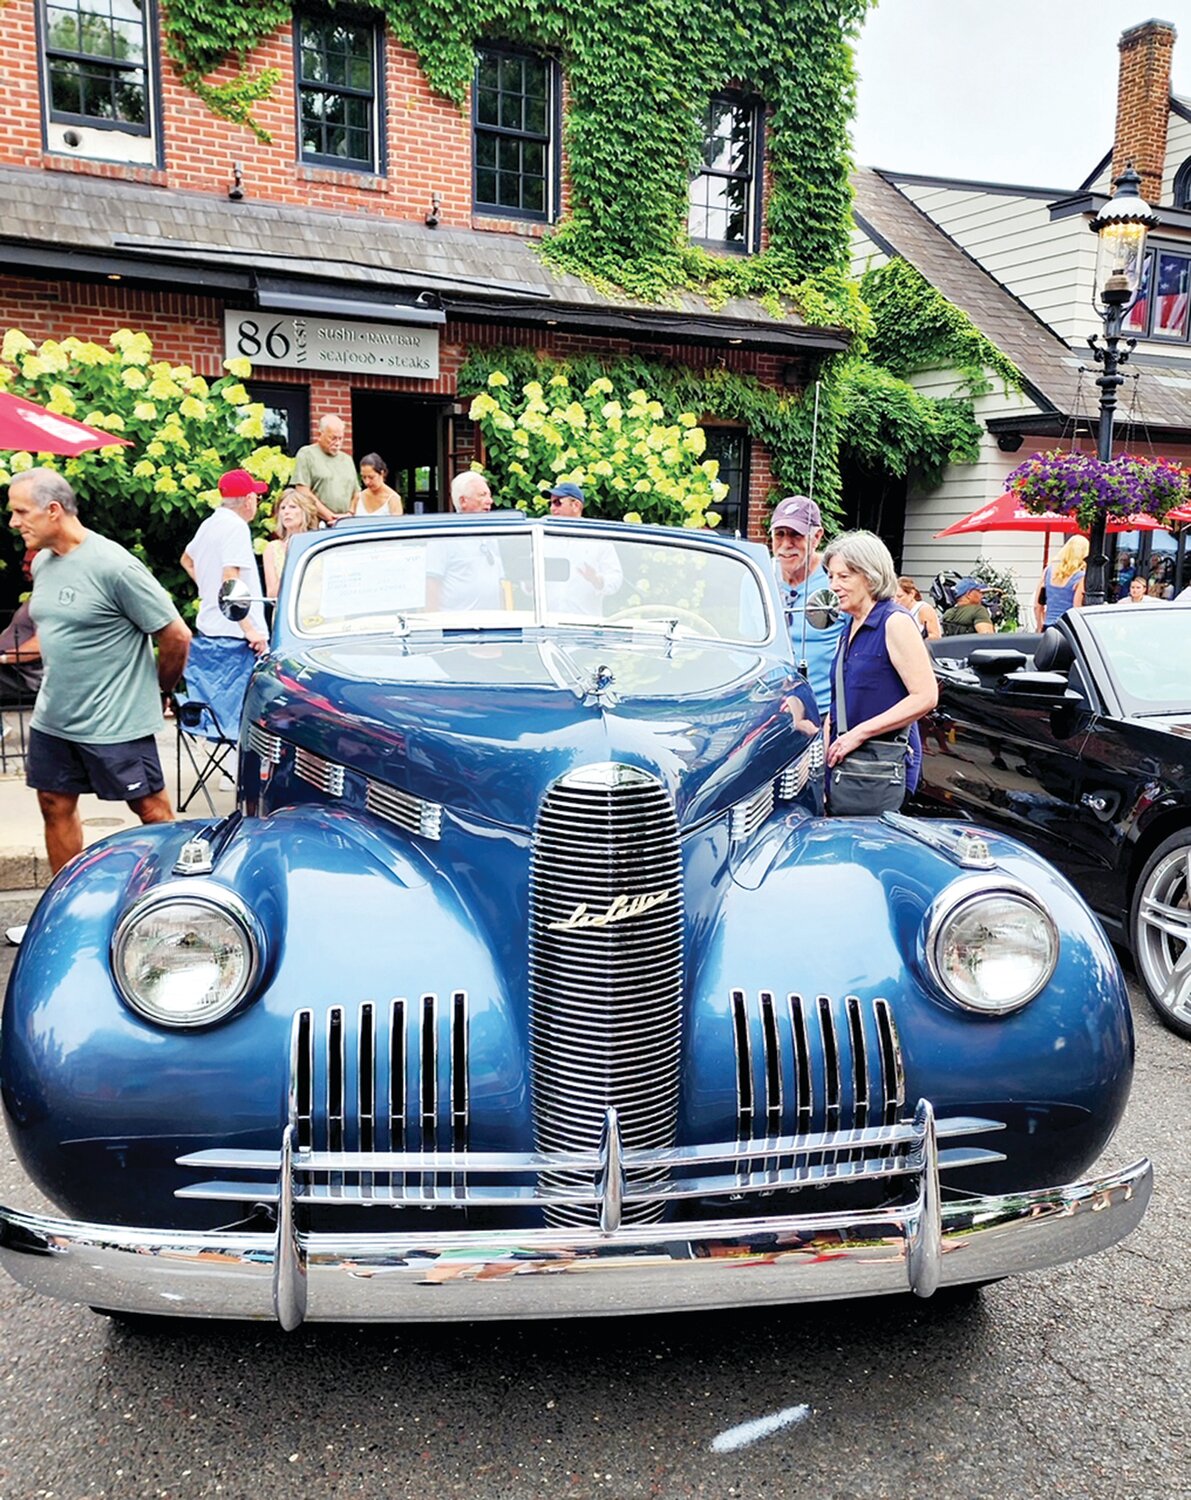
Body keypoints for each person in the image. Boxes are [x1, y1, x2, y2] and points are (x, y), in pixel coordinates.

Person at [5, 468, 191, 942]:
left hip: (114, 720)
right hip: (55, 717)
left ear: (53, 511)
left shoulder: (115, 566)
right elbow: (55, 626)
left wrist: (157, 689)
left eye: (20, 511)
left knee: (151, 813)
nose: (12, 521)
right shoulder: (45, 561)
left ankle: (171, 914)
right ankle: (66, 913)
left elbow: (174, 635)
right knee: (53, 804)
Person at [822, 530, 938, 804]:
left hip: (880, 771)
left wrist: (859, 734)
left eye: (844, 576)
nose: (834, 585)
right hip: (847, 769)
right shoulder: (848, 625)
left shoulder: (894, 622)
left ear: (870, 576)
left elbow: (926, 696)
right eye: (831, 577)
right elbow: (839, 701)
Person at [768, 495, 846, 719]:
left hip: (823, 713)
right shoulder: (759, 576)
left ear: (817, 537)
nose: (785, 544)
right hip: (772, 714)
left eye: (796, 535)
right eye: (779, 534)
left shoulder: (836, 578)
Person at [181, 469, 270, 655]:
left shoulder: (209, 524)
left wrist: (211, 589)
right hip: (236, 636)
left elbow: (187, 560)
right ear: (248, 500)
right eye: (257, 498)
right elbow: (230, 576)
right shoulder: (236, 527)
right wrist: (250, 630)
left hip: (210, 630)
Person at [543, 482, 623, 616]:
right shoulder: (544, 537)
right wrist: (528, 582)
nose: (552, 508)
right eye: (550, 503)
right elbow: (530, 584)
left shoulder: (597, 537)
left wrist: (596, 579)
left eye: (558, 503)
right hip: (547, 622)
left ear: (576, 505)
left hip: (584, 624)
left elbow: (616, 579)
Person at [293, 414, 358, 525]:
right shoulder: (307, 454)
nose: (337, 443)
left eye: (340, 438)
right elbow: (302, 491)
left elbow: (357, 493)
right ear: (320, 434)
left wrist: (349, 514)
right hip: (316, 523)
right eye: (333, 438)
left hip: (345, 522)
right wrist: (330, 516)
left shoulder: (347, 459)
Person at [263, 486, 319, 600]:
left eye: (292, 507)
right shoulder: (272, 548)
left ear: (305, 511)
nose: (286, 512)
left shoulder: (318, 545)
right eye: (283, 508)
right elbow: (272, 594)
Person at [1034, 535, 1087, 629]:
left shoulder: (1048, 571)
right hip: (1068, 628)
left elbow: (1038, 605)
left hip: (1048, 626)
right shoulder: (1081, 577)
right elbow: (1077, 607)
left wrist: (1039, 626)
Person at [351, 453, 404, 518]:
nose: (367, 482)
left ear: (382, 473)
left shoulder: (393, 499)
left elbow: (396, 525)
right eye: (364, 477)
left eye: (371, 477)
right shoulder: (358, 497)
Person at [895, 576, 942, 640]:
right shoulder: (898, 612)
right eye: (892, 598)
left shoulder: (924, 609)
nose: (895, 601)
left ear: (912, 594)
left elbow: (935, 636)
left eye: (899, 596)